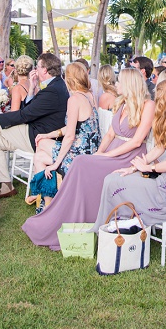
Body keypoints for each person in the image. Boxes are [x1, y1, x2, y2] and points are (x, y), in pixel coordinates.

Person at [23, 67, 154, 249]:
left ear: (130, 84)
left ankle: (68, 210)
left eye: (119, 81)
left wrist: (105, 156)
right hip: (113, 151)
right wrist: (99, 154)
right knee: (83, 162)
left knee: (81, 162)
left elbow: (137, 141)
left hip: (130, 157)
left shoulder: (148, 105)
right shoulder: (122, 104)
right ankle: (66, 212)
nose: (116, 84)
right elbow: (109, 135)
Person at [92, 79, 166, 232]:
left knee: (114, 182)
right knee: (115, 178)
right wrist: (133, 168)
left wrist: (147, 168)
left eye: (158, 98)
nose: (156, 102)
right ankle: (121, 223)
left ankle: (120, 225)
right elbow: (160, 146)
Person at [0, 53, 69, 199]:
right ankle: (5, 185)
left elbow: (24, 115)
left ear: (45, 70)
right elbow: (29, 110)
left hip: (38, 137)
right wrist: (31, 88)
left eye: (38, 66)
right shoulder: (53, 85)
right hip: (34, 131)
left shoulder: (52, 90)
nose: (35, 69)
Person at [27, 61, 101, 211]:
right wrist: (50, 134)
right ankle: (46, 202)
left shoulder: (74, 99)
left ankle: (46, 203)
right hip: (89, 150)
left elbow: (70, 136)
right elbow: (73, 127)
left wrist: (55, 164)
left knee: (40, 148)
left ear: (69, 79)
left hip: (80, 157)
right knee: (39, 154)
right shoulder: (89, 95)